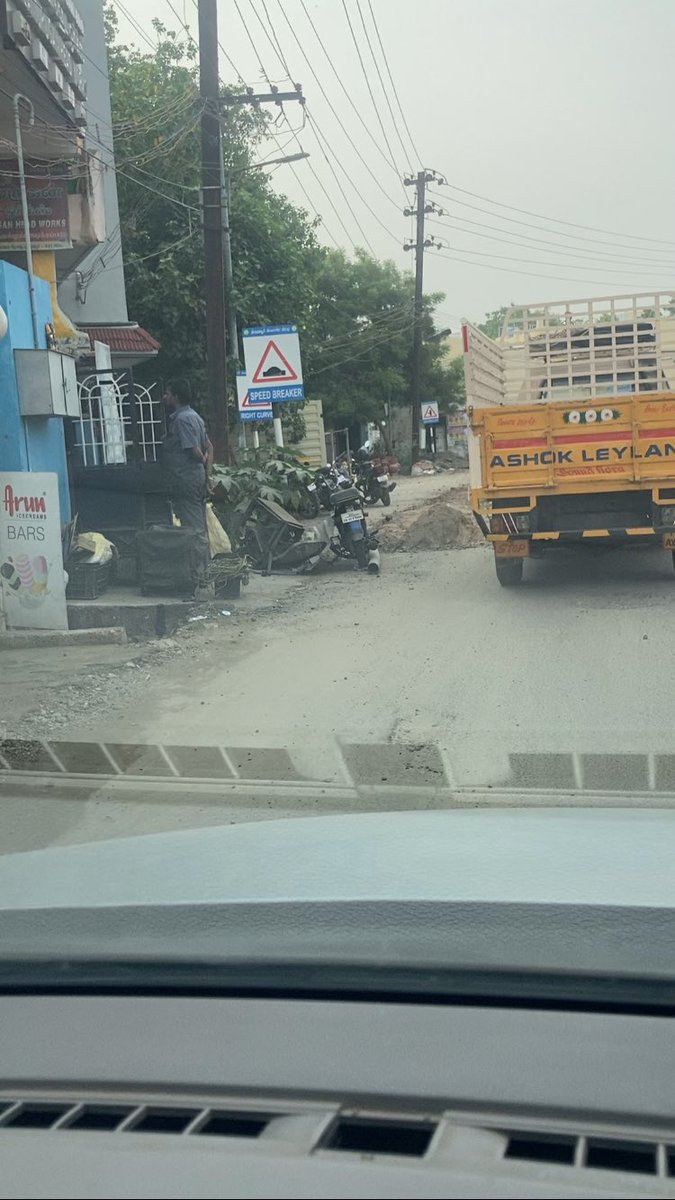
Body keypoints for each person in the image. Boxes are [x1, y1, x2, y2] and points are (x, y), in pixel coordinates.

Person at [161, 379, 214, 591]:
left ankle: (202, 577)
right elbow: (210, 446)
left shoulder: (183, 420)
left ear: (175, 397)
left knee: (194, 528)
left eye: (167, 393)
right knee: (198, 525)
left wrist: (202, 462)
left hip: (186, 478)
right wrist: (208, 475)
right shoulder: (195, 417)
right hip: (195, 477)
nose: (165, 397)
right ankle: (203, 573)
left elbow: (194, 450)